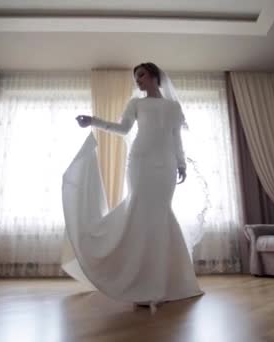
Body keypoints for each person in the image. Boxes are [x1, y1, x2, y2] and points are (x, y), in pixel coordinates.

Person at [61, 62, 203, 313]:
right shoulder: (136, 103)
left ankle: (166, 282)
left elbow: (175, 138)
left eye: (142, 75)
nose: (137, 80)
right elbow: (123, 128)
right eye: (135, 77)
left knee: (161, 215)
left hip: (166, 166)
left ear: (154, 76)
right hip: (140, 163)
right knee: (139, 213)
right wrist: (94, 120)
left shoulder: (173, 107)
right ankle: (139, 281)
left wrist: (181, 164)